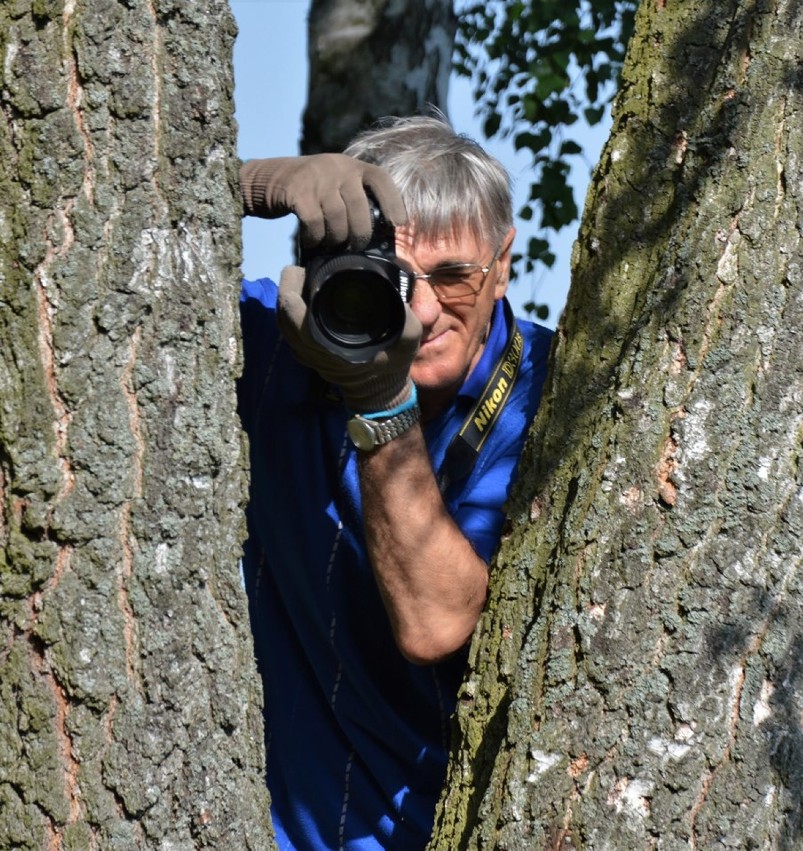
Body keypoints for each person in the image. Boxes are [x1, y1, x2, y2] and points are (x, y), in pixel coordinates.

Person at [238, 115, 553, 850]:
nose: (422, 309)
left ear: (503, 263)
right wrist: (249, 182)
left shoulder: (558, 409)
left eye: (454, 276)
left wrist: (381, 402)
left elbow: (436, 622)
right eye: (397, 277)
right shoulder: (287, 340)